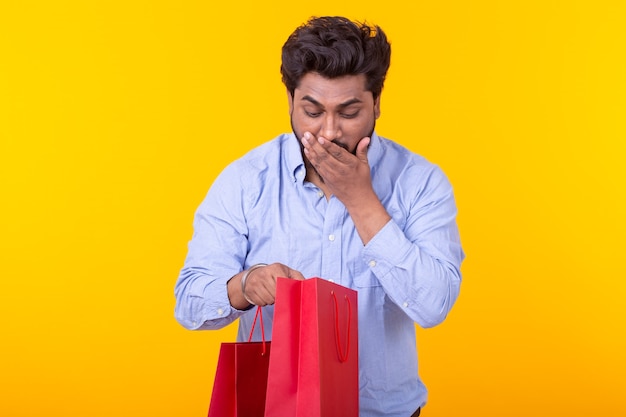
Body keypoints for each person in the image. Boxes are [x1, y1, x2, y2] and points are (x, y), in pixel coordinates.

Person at [175, 15, 464, 417]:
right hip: (277, 410)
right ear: (291, 101)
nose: (328, 132)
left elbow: (434, 304)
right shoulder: (245, 180)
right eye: (312, 111)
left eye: (348, 112)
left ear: (377, 103)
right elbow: (188, 303)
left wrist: (361, 200)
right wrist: (245, 285)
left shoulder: (420, 182)